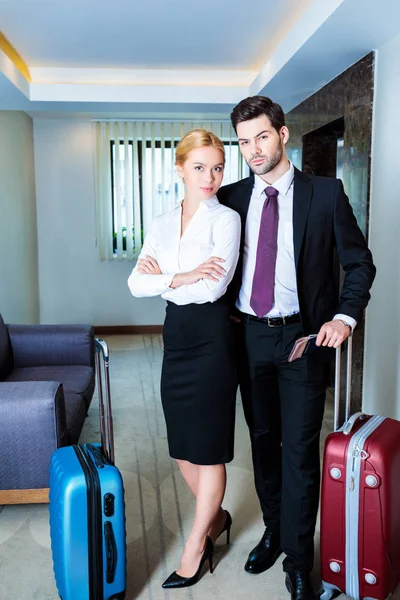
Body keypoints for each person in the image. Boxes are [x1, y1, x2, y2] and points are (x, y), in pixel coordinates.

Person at [217, 96, 376, 600]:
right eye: (243, 141)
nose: (253, 150)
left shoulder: (325, 194)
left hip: (302, 338)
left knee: (301, 453)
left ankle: (298, 559)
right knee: (263, 442)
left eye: (261, 136)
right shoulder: (232, 198)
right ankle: (274, 531)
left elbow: (359, 264)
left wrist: (344, 317)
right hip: (248, 335)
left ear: (282, 134)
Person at [128, 129, 241, 589]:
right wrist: (185, 274)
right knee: (181, 446)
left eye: (217, 167)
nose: (210, 176)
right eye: (200, 167)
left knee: (208, 448)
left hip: (213, 338)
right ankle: (216, 516)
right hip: (176, 335)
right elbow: (136, 284)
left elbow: (213, 287)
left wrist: (167, 277)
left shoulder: (226, 220)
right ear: (179, 169)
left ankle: (196, 545)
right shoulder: (159, 222)